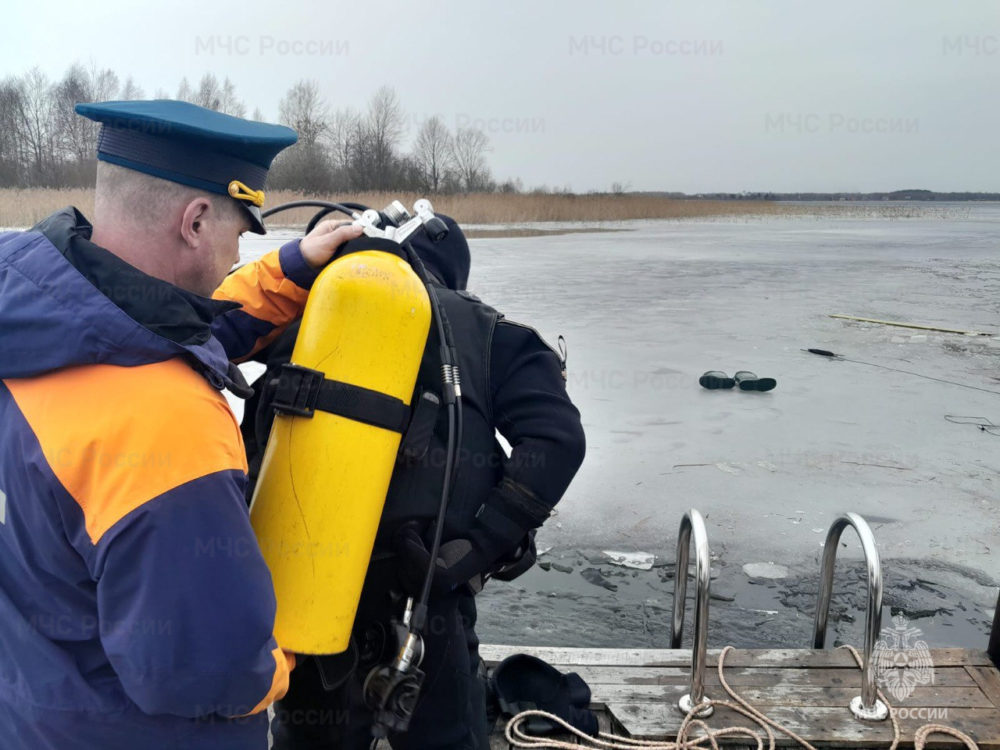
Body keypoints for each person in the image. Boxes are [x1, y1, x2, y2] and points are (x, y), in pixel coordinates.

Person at [0, 100, 362, 750]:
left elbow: (163, 325)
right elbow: (206, 671)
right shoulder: (162, 424)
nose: (234, 255)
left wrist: (292, 267)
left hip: (38, 710)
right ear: (195, 221)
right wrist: (280, 660)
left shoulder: (33, 308)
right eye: (237, 233)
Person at [242, 216, 587, 749]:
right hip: (425, 591)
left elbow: (252, 441)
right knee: (445, 738)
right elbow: (558, 441)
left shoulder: (311, 320)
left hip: (306, 583)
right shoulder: (488, 332)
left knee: (310, 736)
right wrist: (480, 546)